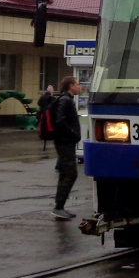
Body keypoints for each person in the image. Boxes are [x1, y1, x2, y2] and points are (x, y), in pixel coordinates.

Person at [51, 76, 82, 220]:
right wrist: (73, 133)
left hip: (65, 141)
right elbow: (60, 120)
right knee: (70, 173)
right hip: (64, 142)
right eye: (77, 84)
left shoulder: (67, 100)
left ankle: (59, 206)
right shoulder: (65, 100)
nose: (79, 87)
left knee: (65, 173)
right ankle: (58, 206)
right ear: (70, 86)